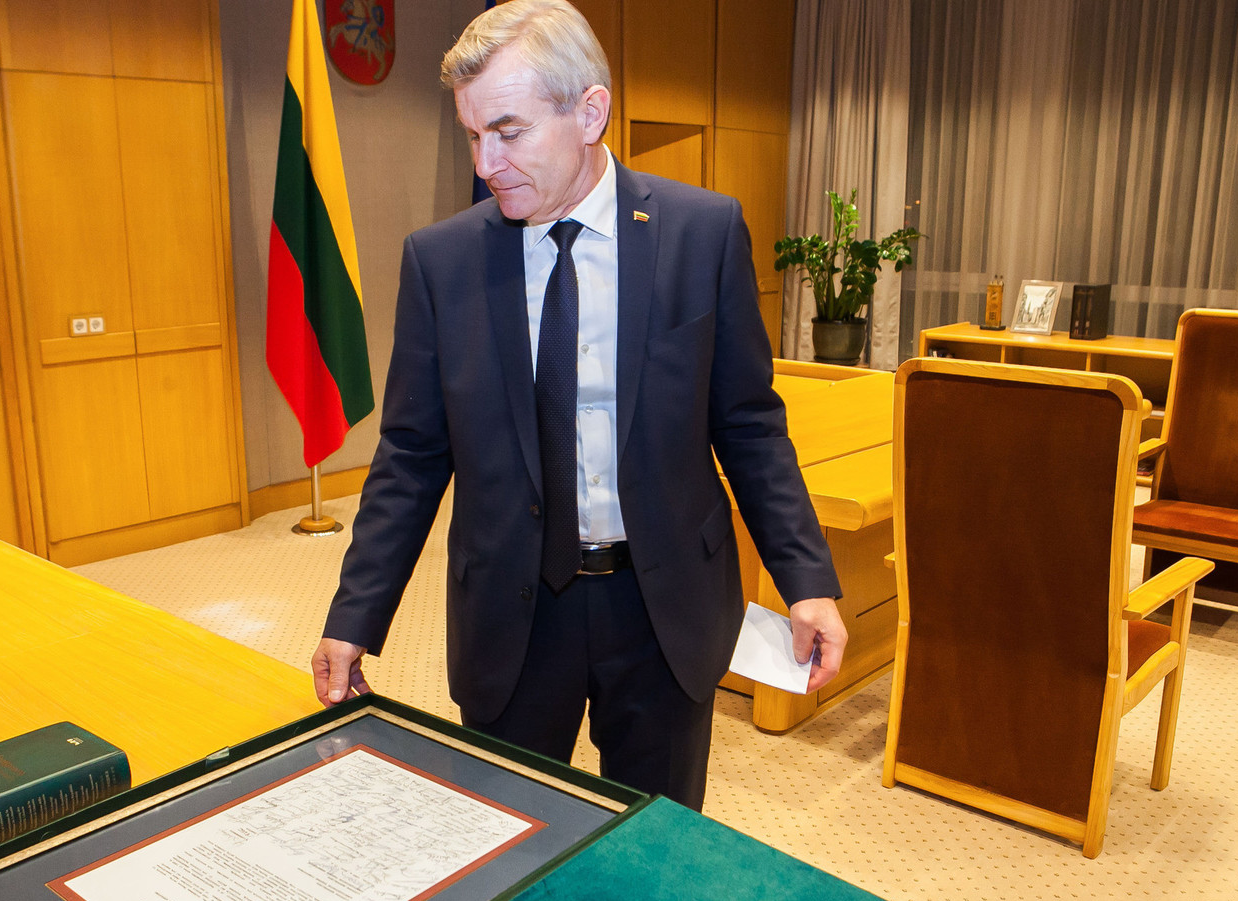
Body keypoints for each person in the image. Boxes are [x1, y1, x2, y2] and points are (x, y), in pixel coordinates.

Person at [312, 0, 846, 812]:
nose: (487, 162)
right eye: (473, 134)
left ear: (589, 112)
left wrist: (805, 580)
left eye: (509, 131)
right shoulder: (441, 261)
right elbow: (411, 457)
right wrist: (355, 614)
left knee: (656, 848)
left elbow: (748, 426)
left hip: (663, 608)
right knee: (511, 838)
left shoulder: (702, 233)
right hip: (512, 614)